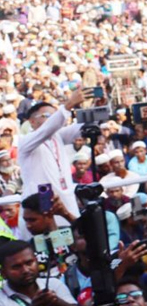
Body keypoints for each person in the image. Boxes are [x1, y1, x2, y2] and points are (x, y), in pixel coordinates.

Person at [17, 89, 86, 236]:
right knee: (46, 253)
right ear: (32, 121)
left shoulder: (57, 136)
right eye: (48, 115)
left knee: (73, 249)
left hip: (65, 206)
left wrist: (94, 109)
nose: (52, 119)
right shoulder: (25, 141)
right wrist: (68, 105)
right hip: (39, 210)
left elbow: (81, 129)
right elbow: (46, 130)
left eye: (54, 115)